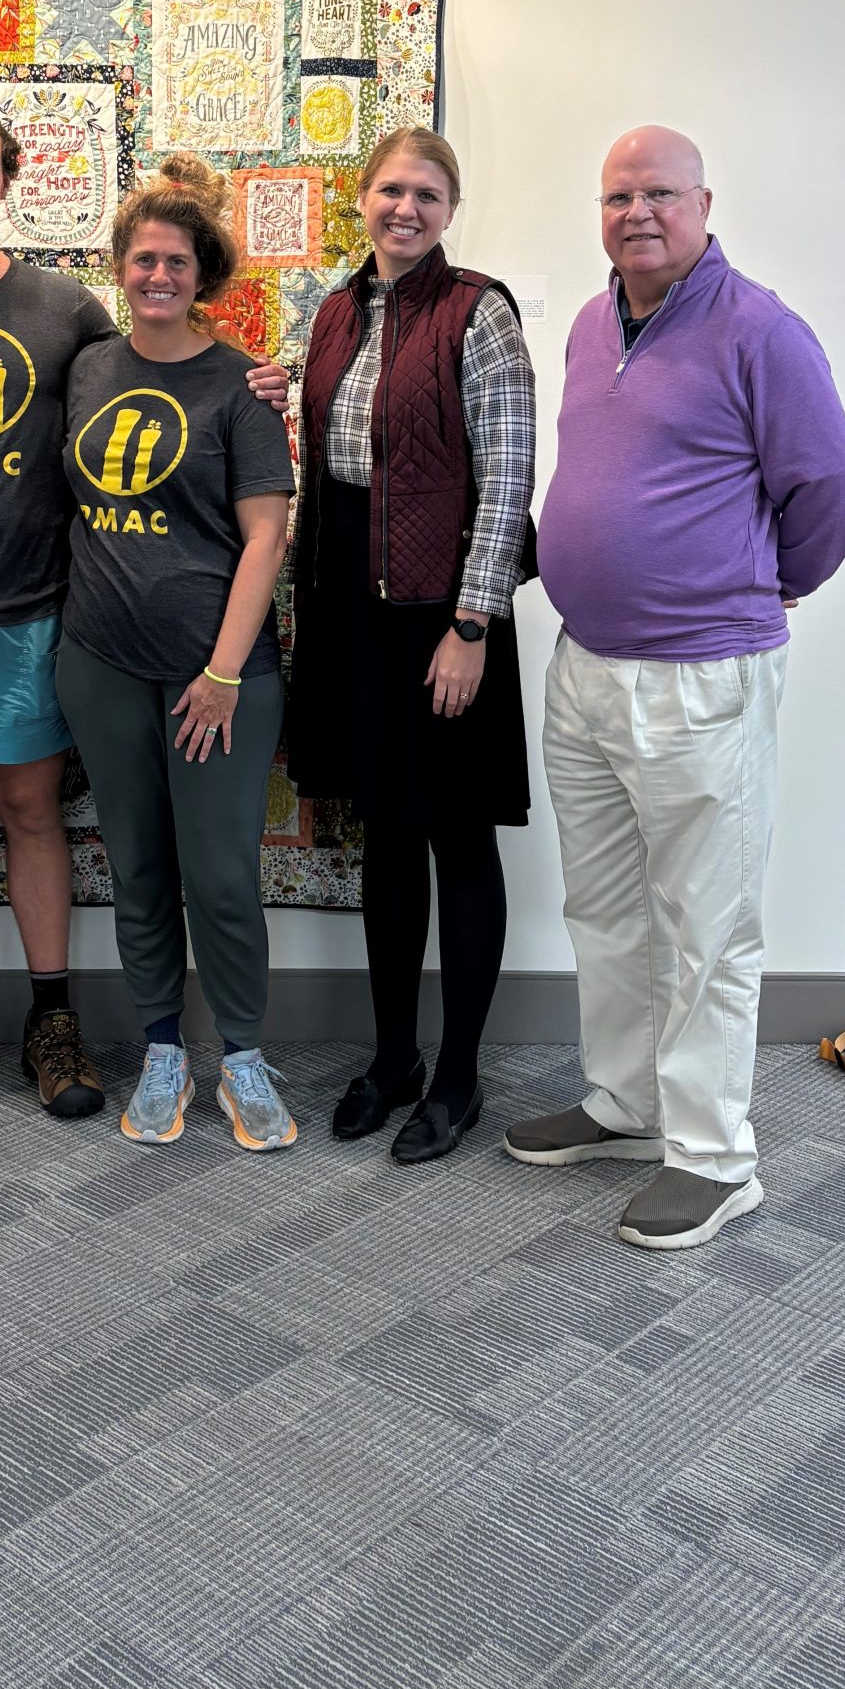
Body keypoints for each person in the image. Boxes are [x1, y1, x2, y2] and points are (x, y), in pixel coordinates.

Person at [0, 102, 288, 1120]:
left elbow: (168, 352)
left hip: (40, 612)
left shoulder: (68, 315)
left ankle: (56, 1021)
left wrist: (255, 371)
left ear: (9, 176)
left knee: (39, 814)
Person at [509, 126, 845, 1248]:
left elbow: (830, 487)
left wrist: (767, 583)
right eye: (618, 196)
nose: (638, 213)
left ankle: (714, 1158)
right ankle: (626, 1103)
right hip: (585, 668)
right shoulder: (589, 321)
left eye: (660, 193)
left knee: (708, 925)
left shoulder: (760, 329)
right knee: (605, 907)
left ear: (705, 204)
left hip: (703, 675)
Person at [289, 127, 537, 1163]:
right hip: (353, 601)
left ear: (450, 209)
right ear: (363, 197)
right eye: (391, 189)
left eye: (428, 194)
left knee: (459, 838)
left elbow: (509, 475)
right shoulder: (336, 311)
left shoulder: (479, 310)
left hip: (443, 612)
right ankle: (393, 1058)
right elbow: (344, 444)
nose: (406, 208)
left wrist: (472, 625)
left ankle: (459, 1076)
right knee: (386, 834)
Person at [55, 156, 298, 1150]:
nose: (158, 275)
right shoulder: (86, 369)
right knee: (140, 866)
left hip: (220, 676)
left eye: (177, 262)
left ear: (204, 276)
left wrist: (224, 673)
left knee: (222, 873)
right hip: (103, 663)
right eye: (143, 259)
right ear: (119, 266)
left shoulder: (242, 384)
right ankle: (162, 1048)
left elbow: (267, 537)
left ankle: (241, 1054)